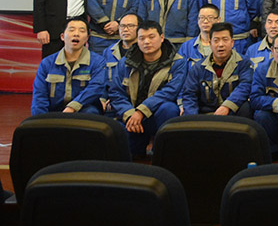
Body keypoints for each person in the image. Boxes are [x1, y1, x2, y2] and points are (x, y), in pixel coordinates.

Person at [109, 20, 187, 158]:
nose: (146, 42)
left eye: (151, 37)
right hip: (131, 116)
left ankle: (161, 154)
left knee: (169, 108)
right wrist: (130, 114)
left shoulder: (177, 62)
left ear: (161, 38)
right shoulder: (125, 62)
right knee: (128, 154)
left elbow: (170, 91)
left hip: (155, 115)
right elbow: (116, 92)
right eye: (142, 38)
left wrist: (141, 111)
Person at [31, 17, 103, 115]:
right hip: (55, 110)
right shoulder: (47, 63)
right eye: (71, 30)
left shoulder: (98, 62)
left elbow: (95, 89)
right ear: (62, 37)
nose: (76, 34)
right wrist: (40, 120)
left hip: (83, 109)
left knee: (91, 112)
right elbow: (39, 96)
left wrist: (72, 107)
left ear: (87, 38)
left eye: (82, 31)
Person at [180, 22, 253, 117]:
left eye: (225, 40)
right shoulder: (199, 67)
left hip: (232, 113)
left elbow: (245, 86)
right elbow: (190, 95)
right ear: (210, 44)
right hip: (205, 115)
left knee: (246, 107)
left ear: (232, 42)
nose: (220, 44)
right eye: (216, 40)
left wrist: (227, 106)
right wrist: (193, 119)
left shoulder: (243, 63)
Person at [100, 12, 139, 110]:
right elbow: (102, 80)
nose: (125, 29)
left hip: (135, 100)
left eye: (130, 26)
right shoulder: (108, 52)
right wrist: (103, 99)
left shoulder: (144, 51)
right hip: (111, 99)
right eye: (122, 26)